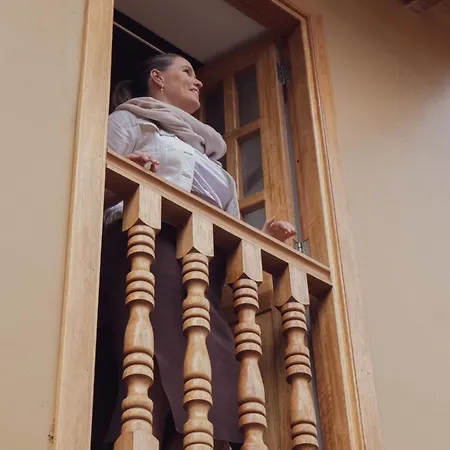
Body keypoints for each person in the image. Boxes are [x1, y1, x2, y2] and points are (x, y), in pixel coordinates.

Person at [95, 53, 297, 450]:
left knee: (213, 374)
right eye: (186, 71)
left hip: (203, 270)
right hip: (146, 247)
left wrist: (264, 239)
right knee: (152, 367)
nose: (198, 80)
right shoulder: (130, 121)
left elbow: (233, 232)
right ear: (157, 78)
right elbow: (90, 184)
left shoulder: (213, 160)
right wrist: (125, 173)